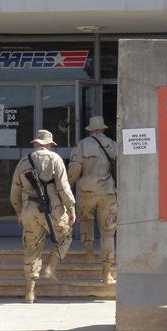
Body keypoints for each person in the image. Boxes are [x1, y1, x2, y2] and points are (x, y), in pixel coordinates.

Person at [10, 129, 76, 304]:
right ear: (48, 144)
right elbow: (63, 187)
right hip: (53, 210)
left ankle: (30, 292)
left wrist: (19, 212)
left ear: (35, 143)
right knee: (66, 235)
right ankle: (50, 268)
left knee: (31, 249)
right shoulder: (55, 159)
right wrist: (71, 209)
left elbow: (14, 192)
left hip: (29, 210)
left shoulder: (23, 162)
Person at [67, 116, 117, 285]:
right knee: (108, 233)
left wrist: (67, 186)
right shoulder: (113, 144)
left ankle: (89, 252)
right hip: (107, 192)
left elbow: (74, 169)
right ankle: (106, 274)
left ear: (90, 129)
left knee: (86, 221)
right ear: (103, 129)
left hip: (86, 191)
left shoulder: (81, 145)